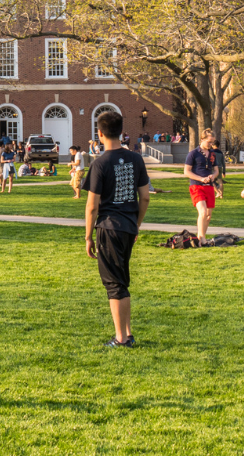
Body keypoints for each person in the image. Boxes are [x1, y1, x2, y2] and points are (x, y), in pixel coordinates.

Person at [82, 110, 150, 348]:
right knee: (121, 281)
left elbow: (92, 206)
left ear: (99, 134)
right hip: (128, 227)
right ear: (121, 131)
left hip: (108, 228)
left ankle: (121, 338)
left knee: (114, 284)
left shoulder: (100, 163)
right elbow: (145, 198)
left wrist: (88, 237)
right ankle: (128, 333)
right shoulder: (136, 159)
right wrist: (136, 225)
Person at [184, 129, 220, 245]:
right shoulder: (193, 153)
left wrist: (213, 176)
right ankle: (202, 238)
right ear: (202, 139)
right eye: (209, 142)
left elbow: (216, 171)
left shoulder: (212, 154)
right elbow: (186, 171)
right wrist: (200, 178)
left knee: (208, 215)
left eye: (213, 142)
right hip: (197, 186)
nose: (211, 144)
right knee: (203, 212)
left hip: (209, 186)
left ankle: (201, 237)